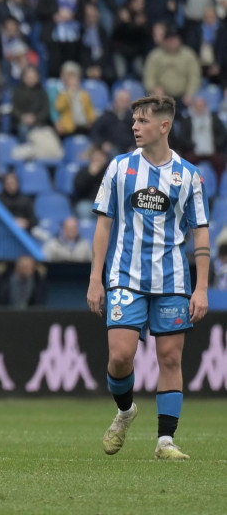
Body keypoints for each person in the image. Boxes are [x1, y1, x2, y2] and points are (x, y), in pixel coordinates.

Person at [87, 95, 210, 460]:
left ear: (164, 126)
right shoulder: (120, 168)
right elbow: (103, 225)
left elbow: (200, 231)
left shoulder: (188, 175)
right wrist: (96, 277)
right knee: (120, 357)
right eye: (134, 120)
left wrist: (201, 287)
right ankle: (126, 411)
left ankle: (165, 441)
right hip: (126, 276)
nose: (135, 126)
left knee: (170, 358)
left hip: (172, 279)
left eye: (142, 121)